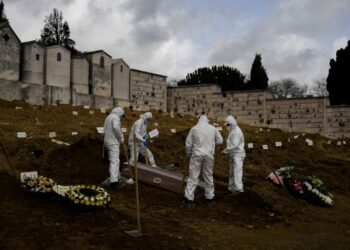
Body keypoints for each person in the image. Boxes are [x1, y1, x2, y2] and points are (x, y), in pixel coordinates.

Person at [184, 115, 223, 203]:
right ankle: (210, 196)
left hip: (197, 155)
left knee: (193, 176)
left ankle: (189, 197)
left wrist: (189, 155)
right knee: (208, 176)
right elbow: (220, 140)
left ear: (199, 120)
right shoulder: (213, 129)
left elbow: (188, 144)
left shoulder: (194, 128)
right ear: (207, 121)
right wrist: (212, 145)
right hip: (209, 155)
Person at [222, 115, 246, 194]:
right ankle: (232, 187)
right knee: (232, 171)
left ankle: (239, 189)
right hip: (233, 154)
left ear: (231, 124)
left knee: (237, 171)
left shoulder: (236, 132)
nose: (227, 127)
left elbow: (234, 145)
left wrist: (225, 151)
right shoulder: (232, 130)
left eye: (228, 125)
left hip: (238, 154)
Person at [103, 107, 125, 189]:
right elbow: (116, 127)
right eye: (122, 116)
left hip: (107, 141)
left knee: (112, 160)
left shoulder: (108, 117)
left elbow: (104, 130)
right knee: (115, 161)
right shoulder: (115, 117)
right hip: (113, 142)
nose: (121, 118)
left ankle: (117, 175)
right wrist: (120, 136)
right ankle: (114, 181)